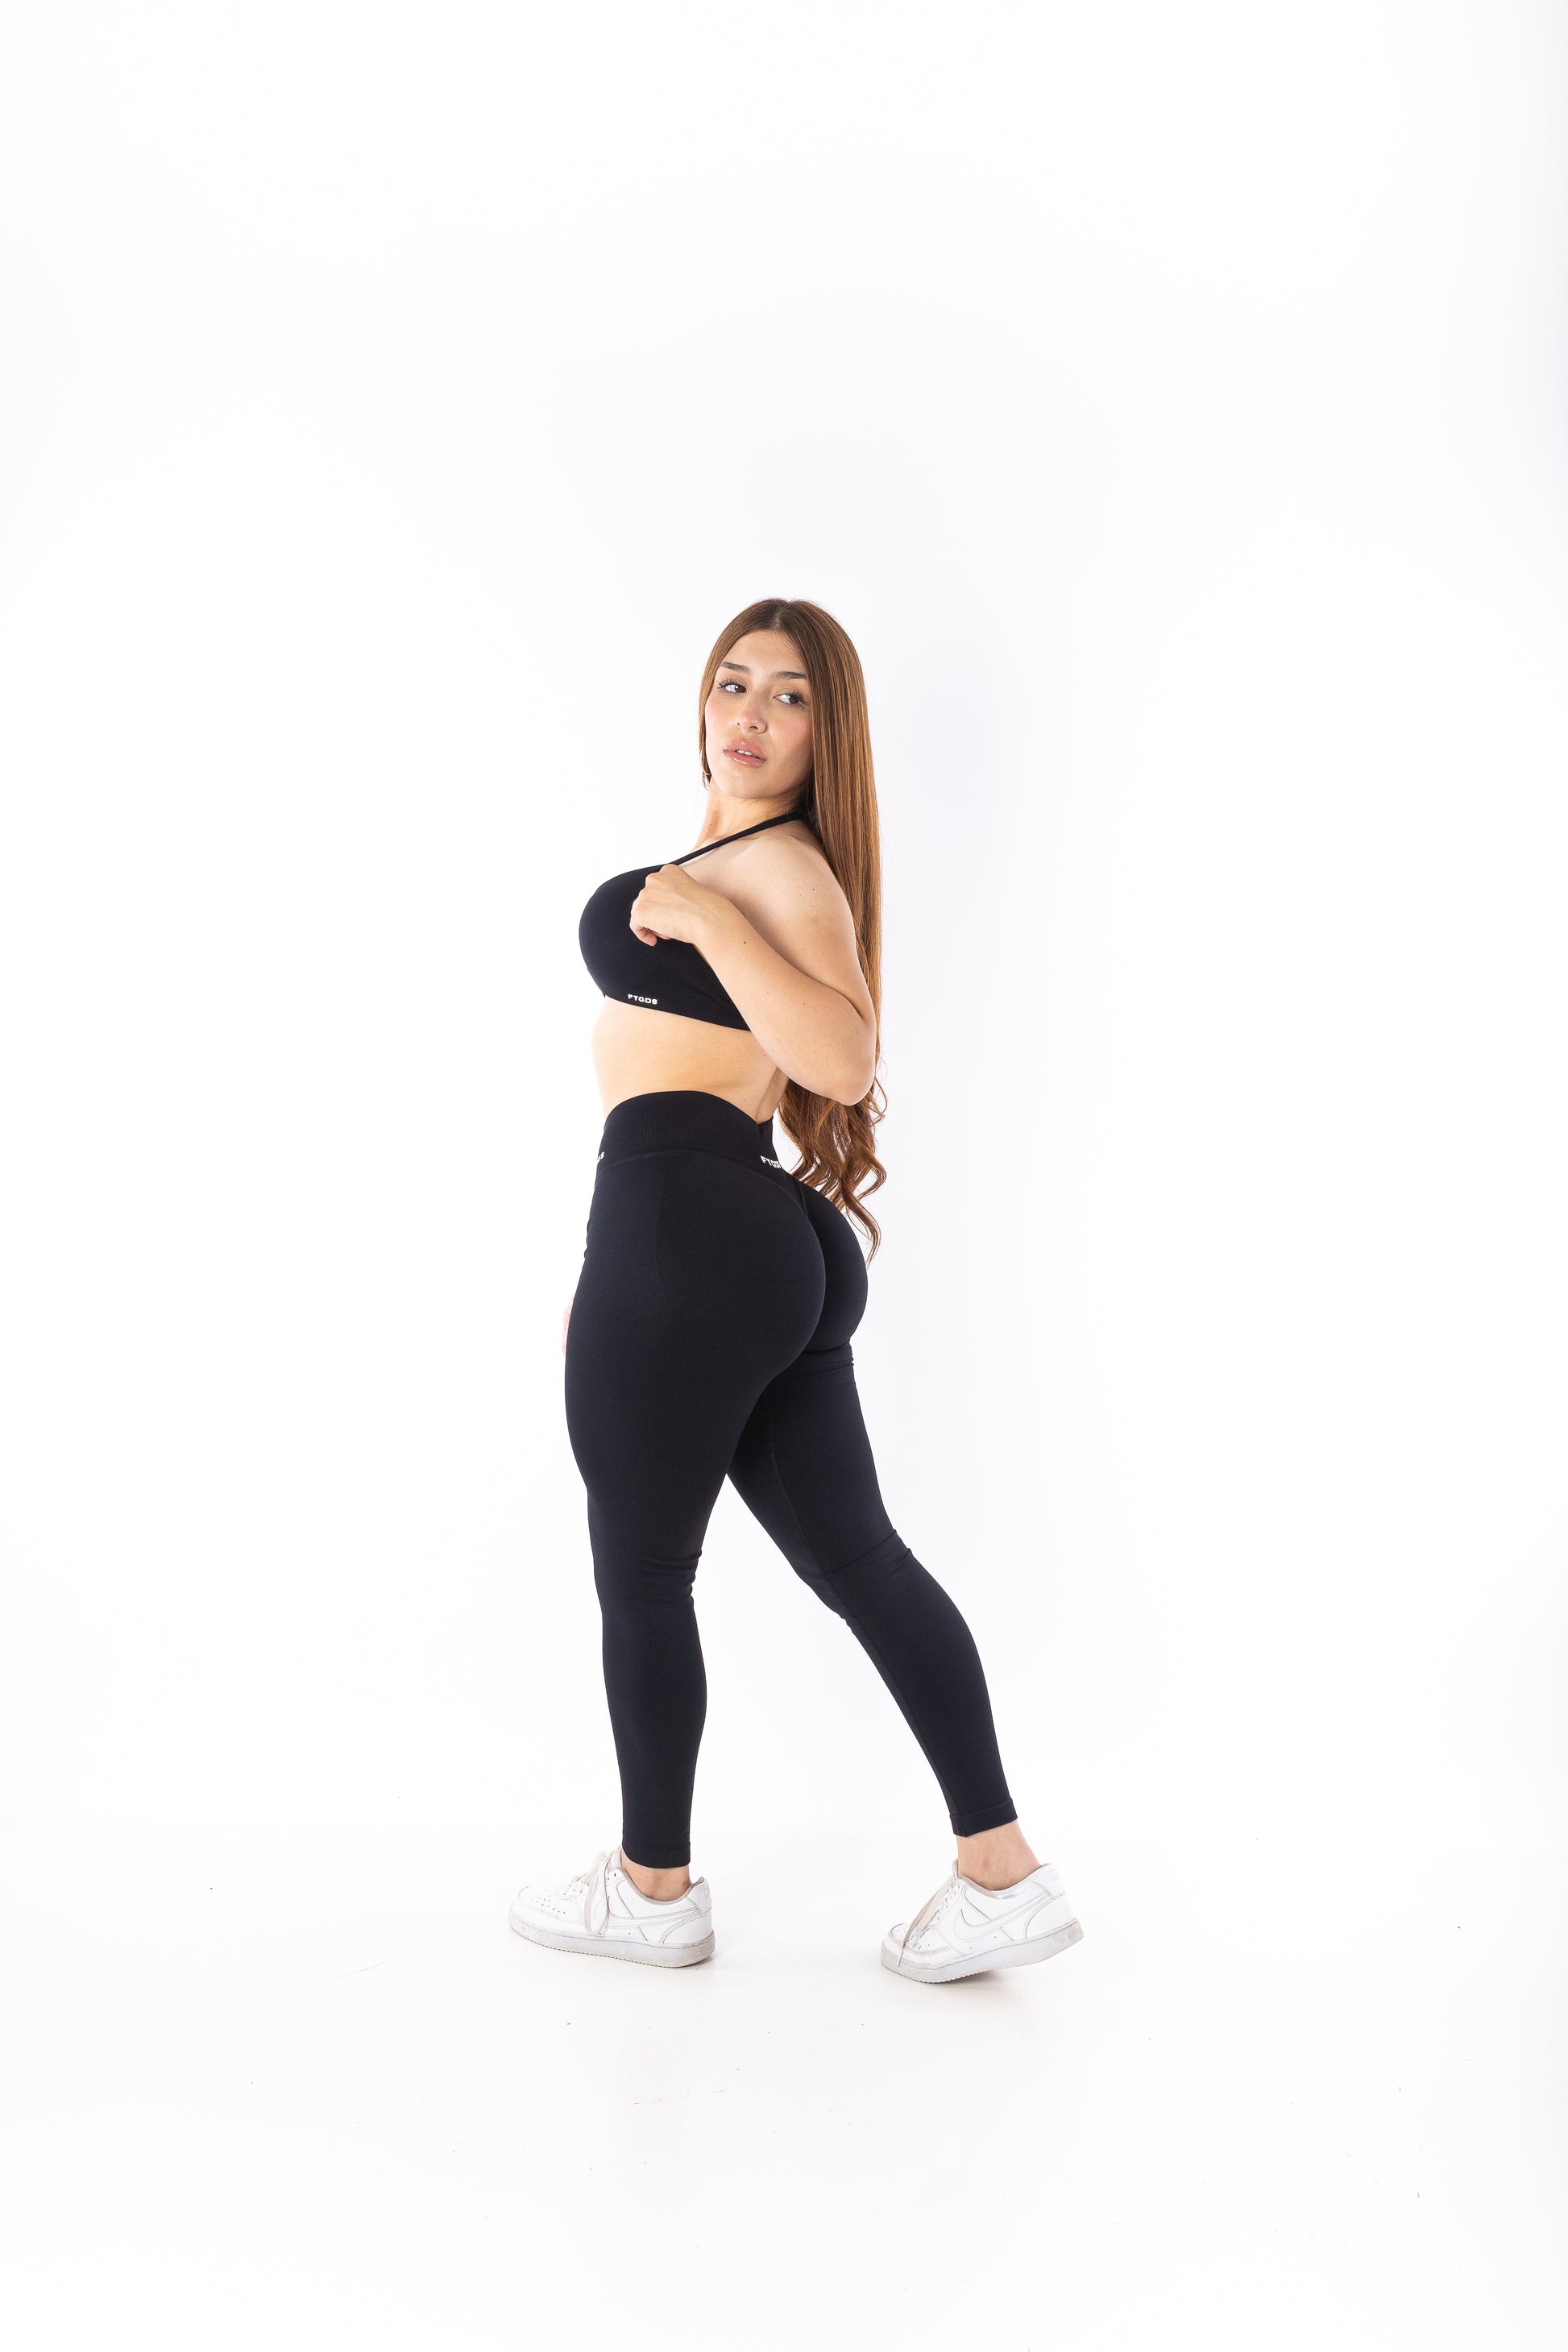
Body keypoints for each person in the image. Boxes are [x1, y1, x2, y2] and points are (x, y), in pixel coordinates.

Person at [508, 598, 1084, 1984]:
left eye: (790, 697)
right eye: (733, 683)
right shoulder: (747, 860)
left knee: (643, 1572)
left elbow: (838, 1055)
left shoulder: (772, 870)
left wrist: (705, 916)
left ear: (830, 732)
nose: (752, 716)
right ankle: (999, 1872)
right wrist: (621, 1265)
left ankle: (652, 1890)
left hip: (689, 1227)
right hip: (728, 1235)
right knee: (860, 1561)